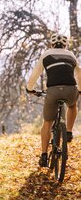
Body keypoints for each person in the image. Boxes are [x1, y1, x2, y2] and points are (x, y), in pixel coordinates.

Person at [26, 33, 81, 167]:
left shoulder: (46, 54)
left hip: (53, 91)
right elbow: (79, 73)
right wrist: (80, 89)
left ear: (51, 44)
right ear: (65, 44)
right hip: (70, 89)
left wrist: (29, 89)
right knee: (72, 106)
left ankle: (44, 156)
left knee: (48, 122)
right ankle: (68, 131)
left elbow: (35, 74)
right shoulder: (71, 55)